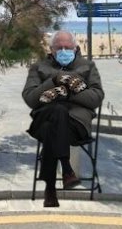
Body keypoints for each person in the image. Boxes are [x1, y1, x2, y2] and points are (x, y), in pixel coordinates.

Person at [23, 30, 104, 207]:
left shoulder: (87, 67)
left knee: (56, 116)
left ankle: (50, 189)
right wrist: (54, 80)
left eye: (68, 47)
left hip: (76, 126)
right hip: (42, 120)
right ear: (51, 49)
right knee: (56, 113)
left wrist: (65, 93)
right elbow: (30, 98)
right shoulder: (39, 67)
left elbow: (96, 98)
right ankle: (66, 169)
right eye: (59, 48)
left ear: (75, 48)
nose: (64, 50)